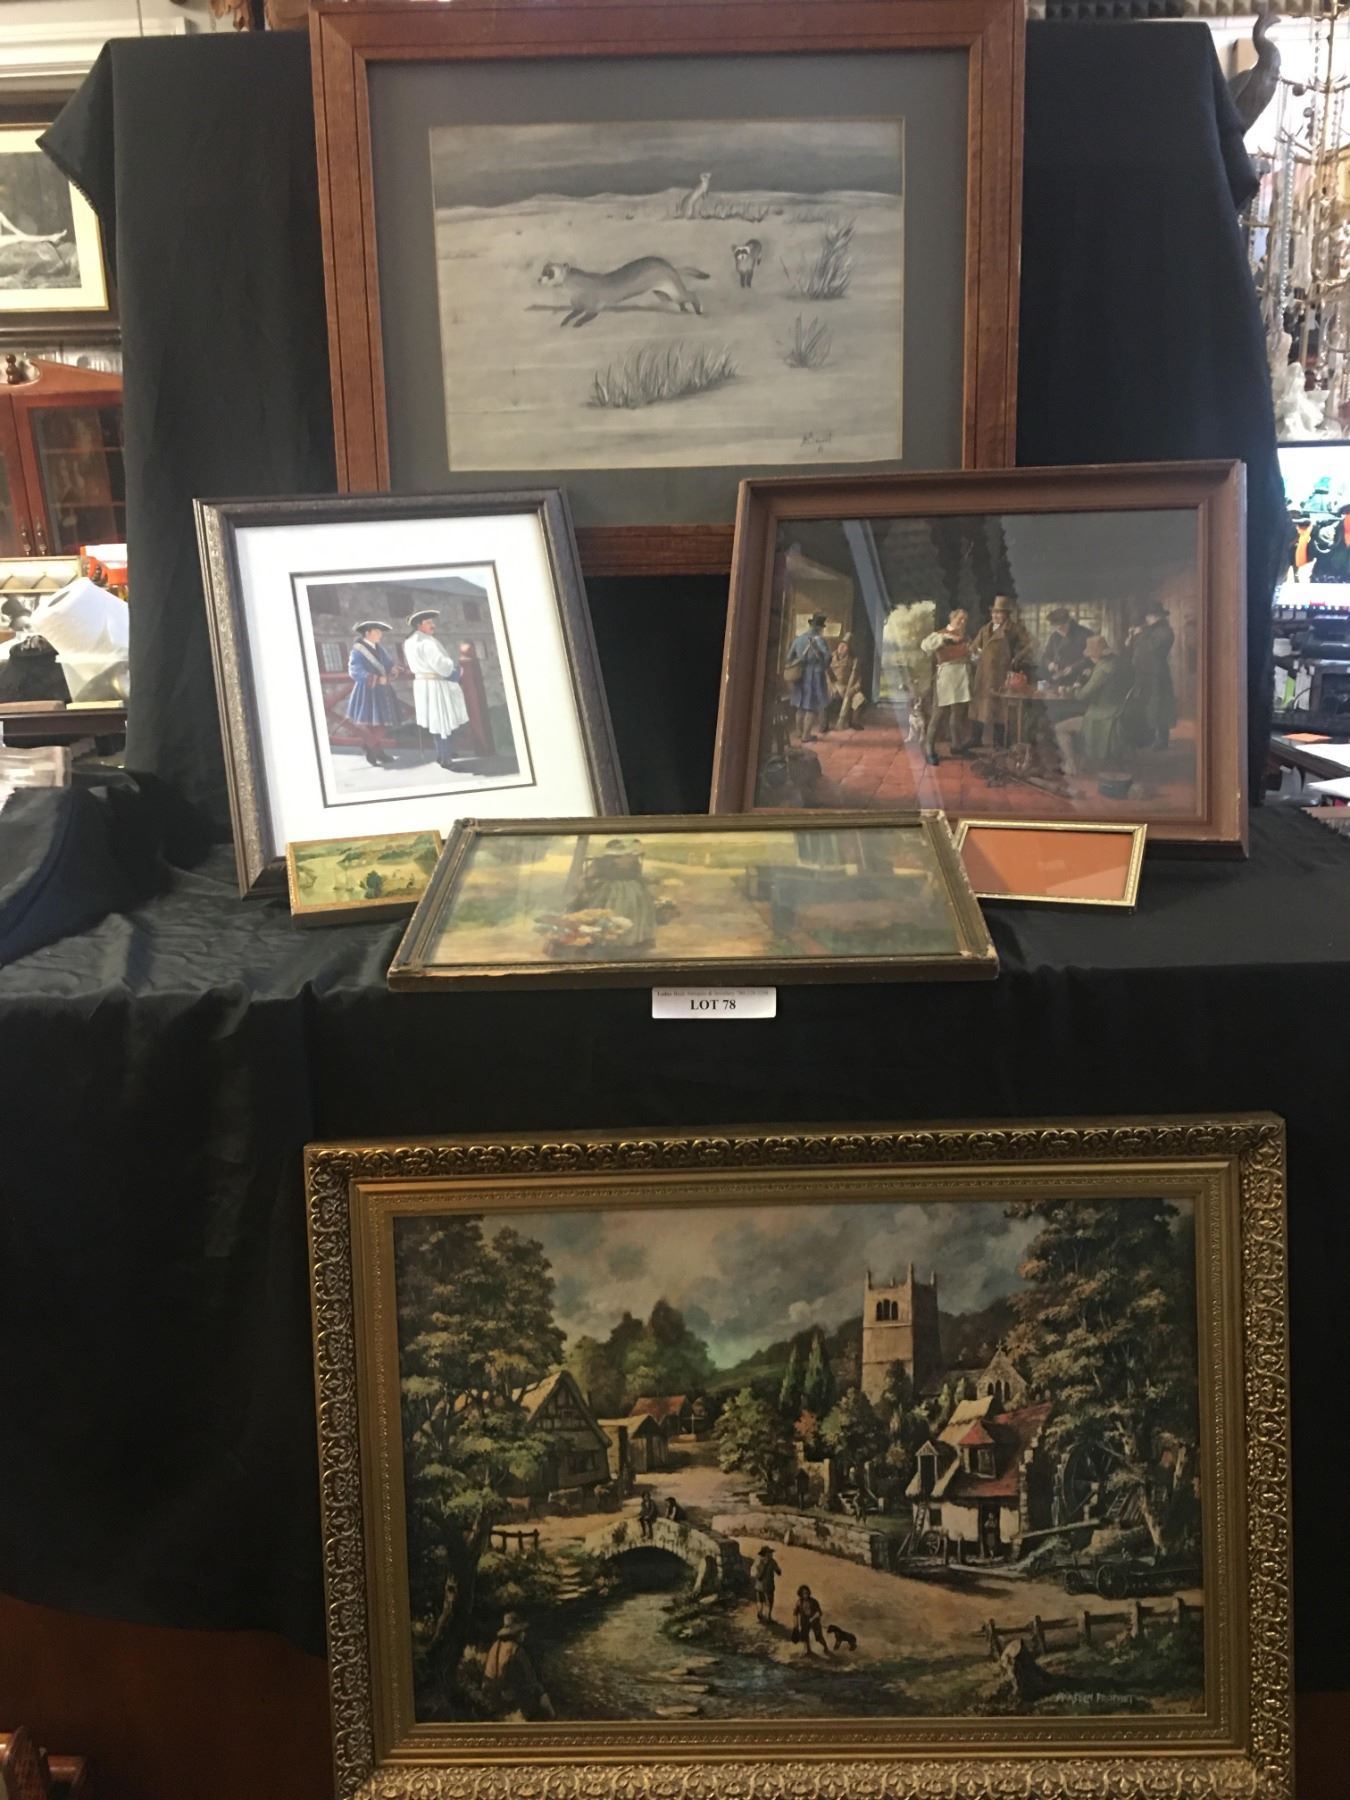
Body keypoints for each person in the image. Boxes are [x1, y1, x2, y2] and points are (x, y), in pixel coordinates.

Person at [402, 608, 469, 769]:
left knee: (435, 721)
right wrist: (455, 668)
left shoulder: (409, 642)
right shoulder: (427, 643)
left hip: (422, 685)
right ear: (419, 625)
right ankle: (445, 757)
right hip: (435, 685)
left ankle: (443, 753)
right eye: (429, 622)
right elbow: (442, 666)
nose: (433, 625)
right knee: (442, 721)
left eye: (432, 622)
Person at [970, 597, 1035, 749]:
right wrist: (975, 653)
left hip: (1000, 673)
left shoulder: (1014, 629)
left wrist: (1016, 658)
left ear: (1006, 614)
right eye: (994, 612)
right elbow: (974, 646)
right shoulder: (985, 628)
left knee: (999, 708)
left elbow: (1031, 644)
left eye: (999, 613)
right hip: (983, 673)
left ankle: (999, 742)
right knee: (979, 705)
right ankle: (976, 738)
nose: (995, 616)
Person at [572, 837, 657, 950]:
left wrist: (648, 882)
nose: (627, 858)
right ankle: (605, 940)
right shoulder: (601, 862)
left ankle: (629, 940)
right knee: (608, 913)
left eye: (627, 855)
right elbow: (590, 874)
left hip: (633, 890)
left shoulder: (634, 862)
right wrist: (584, 882)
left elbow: (637, 875)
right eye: (621, 855)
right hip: (608, 889)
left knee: (635, 911)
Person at [1065, 635, 1133, 770]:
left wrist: (1077, 685)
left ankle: (1071, 765)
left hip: (1102, 714)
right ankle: (1081, 761)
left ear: (1095, 655)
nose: (1090, 658)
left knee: (1060, 728)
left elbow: (1081, 696)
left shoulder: (1102, 670)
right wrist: (1092, 672)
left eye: (1090, 655)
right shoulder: (1114, 663)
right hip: (1117, 709)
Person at [919, 608, 972, 766]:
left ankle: (956, 745)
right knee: (939, 713)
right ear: (952, 618)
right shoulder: (941, 634)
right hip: (946, 676)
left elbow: (971, 654)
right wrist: (944, 638)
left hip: (962, 676)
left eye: (964, 620)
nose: (962, 622)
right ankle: (929, 748)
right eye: (959, 619)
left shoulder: (965, 637)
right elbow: (925, 646)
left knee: (958, 712)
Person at [344, 620, 399, 768]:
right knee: (372, 724)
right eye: (377, 632)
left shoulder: (379, 649)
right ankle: (373, 751)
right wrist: (375, 679)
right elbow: (355, 671)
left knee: (382, 723)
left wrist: (392, 669)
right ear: (367, 633)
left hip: (383, 690)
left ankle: (374, 750)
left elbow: (387, 663)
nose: (380, 635)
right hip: (367, 691)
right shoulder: (357, 651)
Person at [483, 1612, 554, 1721]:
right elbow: (531, 1681)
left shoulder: (495, 1646)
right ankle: (551, 1719)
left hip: (492, 1696)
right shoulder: (517, 1651)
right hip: (510, 1699)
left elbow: (489, 1677)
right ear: (516, 1633)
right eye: (522, 1631)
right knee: (541, 1695)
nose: (524, 1634)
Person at [1126, 602, 1177, 750]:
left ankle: (1161, 740)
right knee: (1145, 705)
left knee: (1159, 707)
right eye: (1148, 615)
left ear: (1158, 616)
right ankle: (1146, 738)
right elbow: (1136, 649)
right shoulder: (1148, 630)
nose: (1147, 618)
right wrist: (1131, 639)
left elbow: (1151, 649)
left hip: (1157, 674)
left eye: (1150, 616)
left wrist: (1139, 635)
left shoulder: (1165, 631)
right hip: (1143, 673)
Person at [783, 611, 832, 744]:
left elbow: (788, 658)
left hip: (799, 675)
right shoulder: (819, 640)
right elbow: (828, 657)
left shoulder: (798, 639)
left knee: (800, 706)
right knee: (811, 706)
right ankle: (806, 735)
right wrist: (823, 665)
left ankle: (799, 732)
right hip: (814, 676)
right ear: (820, 628)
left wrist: (799, 662)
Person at [1042, 607, 1091, 688]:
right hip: (1058, 678)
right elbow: (1046, 656)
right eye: (1057, 629)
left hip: (1078, 679)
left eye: (1062, 627)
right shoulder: (1054, 636)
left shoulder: (1084, 634)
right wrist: (1049, 664)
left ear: (1068, 622)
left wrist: (1073, 668)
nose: (1060, 630)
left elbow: (1091, 657)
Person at [826, 634, 865, 731]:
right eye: (840, 645)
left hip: (848, 688)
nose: (841, 648)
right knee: (825, 697)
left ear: (848, 649)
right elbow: (826, 675)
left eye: (844, 646)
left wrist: (853, 689)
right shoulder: (830, 658)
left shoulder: (854, 660)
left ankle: (853, 722)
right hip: (833, 686)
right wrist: (834, 686)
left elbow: (859, 680)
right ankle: (825, 724)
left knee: (859, 698)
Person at [791, 1584, 830, 1656]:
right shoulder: (799, 1602)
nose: (806, 1594)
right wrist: (795, 1624)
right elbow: (795, 1613)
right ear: (801, 1594)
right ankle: (808, 1651)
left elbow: (819, 1613)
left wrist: (812, 1618)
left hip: (815, 1621)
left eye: (807, 1592)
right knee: (805, 1636)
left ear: (809, 1592)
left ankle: (825, 1647)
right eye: (804, 1593)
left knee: (819, 1637)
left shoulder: (813, 1601)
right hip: (804, 1621)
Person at [752, 1545, 783, 1623]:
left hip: (758, 1585)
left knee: (760, 1600)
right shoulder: (772, 1562)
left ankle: (760, 1612)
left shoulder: (758, 1560)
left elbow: (754, 1572)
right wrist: (778, 1570)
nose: (771, 1554)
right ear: (767, 1553)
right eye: (770, 1552)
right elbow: (778, 1572)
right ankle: (768, 1617)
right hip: (768, 1585)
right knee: (769, 1601)